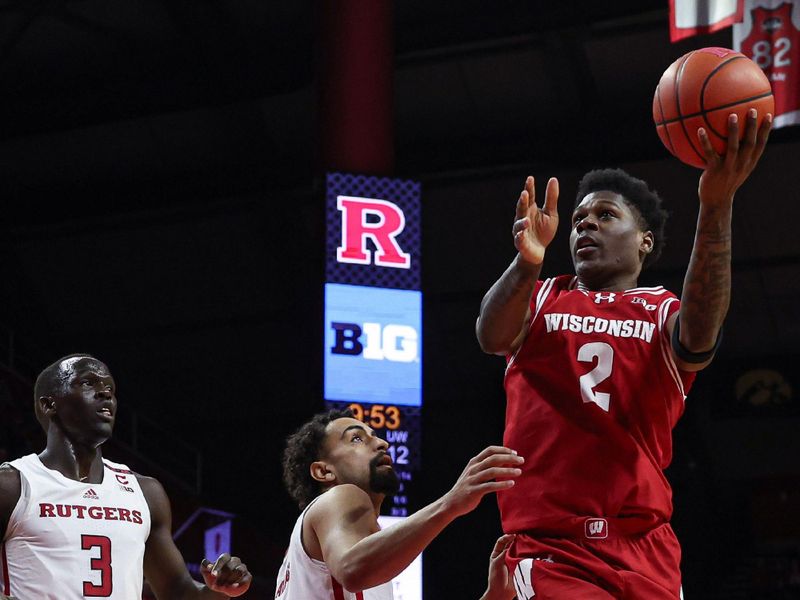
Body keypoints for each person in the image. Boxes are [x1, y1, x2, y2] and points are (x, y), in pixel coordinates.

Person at [475, 110, 772, 598]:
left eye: (605, 216)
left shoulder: (661, 311)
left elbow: (700, 337)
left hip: (646, 546)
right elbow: (491, 334)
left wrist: (716, 205)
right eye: (578, 220)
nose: (585, 224)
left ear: (644, 242)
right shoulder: (544, 295)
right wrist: (527, 260)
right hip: (554, 548)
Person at [0, 354, 252, 599]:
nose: (105, 392)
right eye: (87, 383)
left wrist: (218, 591)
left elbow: (177, 590)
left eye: (110, 387)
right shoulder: (12, 485)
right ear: (48, 404)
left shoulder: (145, 492)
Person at [275, 408, 524, 599]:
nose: (382, 443)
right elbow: (352, 569)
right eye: (356, 439)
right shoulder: (340, 495)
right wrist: (451, 502)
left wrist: (495, 596)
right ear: (323, 471)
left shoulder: (301, 561)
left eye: (374, 436)